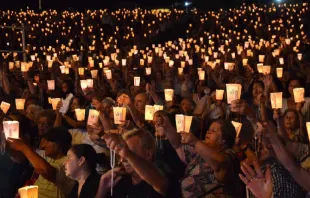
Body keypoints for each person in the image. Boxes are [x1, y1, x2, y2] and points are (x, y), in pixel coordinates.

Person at [158, 110, 243, 197]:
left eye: (213, 130)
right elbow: (178, 145)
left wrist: (195, 142)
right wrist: (166, 125)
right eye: (208, 129)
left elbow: (220, 164)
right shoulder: (201, 149)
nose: (208, 132)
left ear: (223, 141)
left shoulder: (230, 154)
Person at [96, 128, 181, 198]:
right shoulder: (119, 181)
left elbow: (161, 184)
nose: (122, 159)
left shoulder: (164, 178)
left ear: (148, 154)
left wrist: (127, 153)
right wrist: (102, 190)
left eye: (131, 152)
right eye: (120, 154)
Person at [7, 127, 75, 198]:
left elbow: (46, 171)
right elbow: (21, 157)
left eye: (48, 142)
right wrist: (8, 146)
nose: (43, 146)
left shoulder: (68, 162)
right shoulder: (50, 158)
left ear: (59, 144)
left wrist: (23, 147)